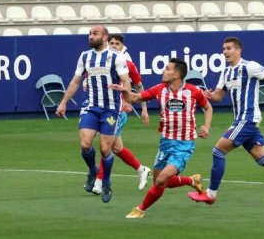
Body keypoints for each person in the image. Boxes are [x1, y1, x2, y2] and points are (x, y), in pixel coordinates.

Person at [188, 36, 264, 205]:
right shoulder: (226, 72)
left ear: (238, 50)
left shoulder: (249, 66)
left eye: (228, 48)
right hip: (243, 121)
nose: (225, 52)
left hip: (247, 119)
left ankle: (211, 194)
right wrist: (209, 95)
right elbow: (218, 96)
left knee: (218, 151)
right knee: (262, 158)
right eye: (223, 49)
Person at [109, 58, 213, 218]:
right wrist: (123, 91)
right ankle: (192, 181)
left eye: (167, 69)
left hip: (184, 145)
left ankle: (140, 209)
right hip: (165, 143)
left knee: (161, 180)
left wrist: (206, 126)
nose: (163, 71)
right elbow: (135, 98)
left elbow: (207, 107)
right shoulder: (160, 89)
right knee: (161, 182)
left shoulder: (193, 91)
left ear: (177, 75)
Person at [56, 25, 132, 203]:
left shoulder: (117, 57)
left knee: (106, 149)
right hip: (90, 106)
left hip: (111, 108)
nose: (91, 36)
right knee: (85, 145)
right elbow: (75, 81)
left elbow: (127, 83)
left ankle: (106, 183)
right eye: (90, 34)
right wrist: (64, 102)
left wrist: (124, 90)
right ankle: (92, 171)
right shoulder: (85, 56)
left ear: (105, 37)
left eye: (95, 34)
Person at [92, 34, 151, 195]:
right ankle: (141, 170)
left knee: (106, 145)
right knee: (116, 148)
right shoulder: (101, 62)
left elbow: (139, 87)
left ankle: (99, 182)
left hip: (117, 111)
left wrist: (144, 109)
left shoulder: (127, 64)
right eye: (111, 43)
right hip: (102, 109)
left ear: (122, 47)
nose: (114, 46)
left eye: (117, 44)